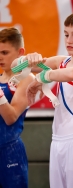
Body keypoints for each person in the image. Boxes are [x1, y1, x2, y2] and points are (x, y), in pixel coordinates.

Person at [13, 9, 73, 188]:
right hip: (57, 141)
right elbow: (16, 68)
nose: (69, 40)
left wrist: (42, 77)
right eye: (66, 34)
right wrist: (28, 59)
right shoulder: (61, 61)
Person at [0, 27, 35, 188]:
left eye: (5, 53)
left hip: (10, 153)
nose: (0, 57)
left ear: (20, 52)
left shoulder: (27, 79)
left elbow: (11, 117)